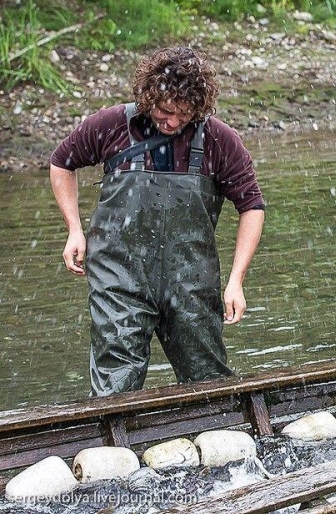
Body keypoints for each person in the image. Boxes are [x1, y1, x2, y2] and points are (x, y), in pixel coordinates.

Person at [50, 46, 265, 396]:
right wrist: (74, 229)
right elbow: (61, 163)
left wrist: (236, 280)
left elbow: (252, 206)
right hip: (118, 278)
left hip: (191, 280)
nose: (173, 122)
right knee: (115, 385)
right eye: (166, 111)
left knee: (207, 380)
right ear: (149, 96)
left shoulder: (219, 140)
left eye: (185, 114)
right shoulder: (111, 125)